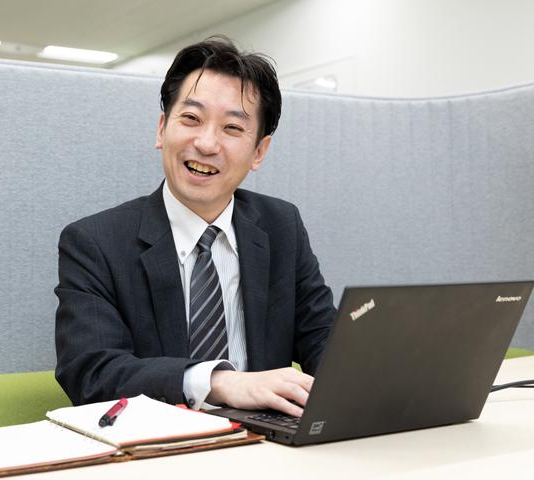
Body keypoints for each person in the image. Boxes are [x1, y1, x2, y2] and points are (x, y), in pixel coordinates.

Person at [55, 37, 336, 418]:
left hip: (267, 442)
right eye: (191, 118)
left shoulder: (281, 226)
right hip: (158, 443)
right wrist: (220, 382)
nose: (206, 143)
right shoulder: (96, 243)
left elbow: (323, 339)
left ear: (259, 152)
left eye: (232, 127)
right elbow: (92, 374)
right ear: (162, 129)